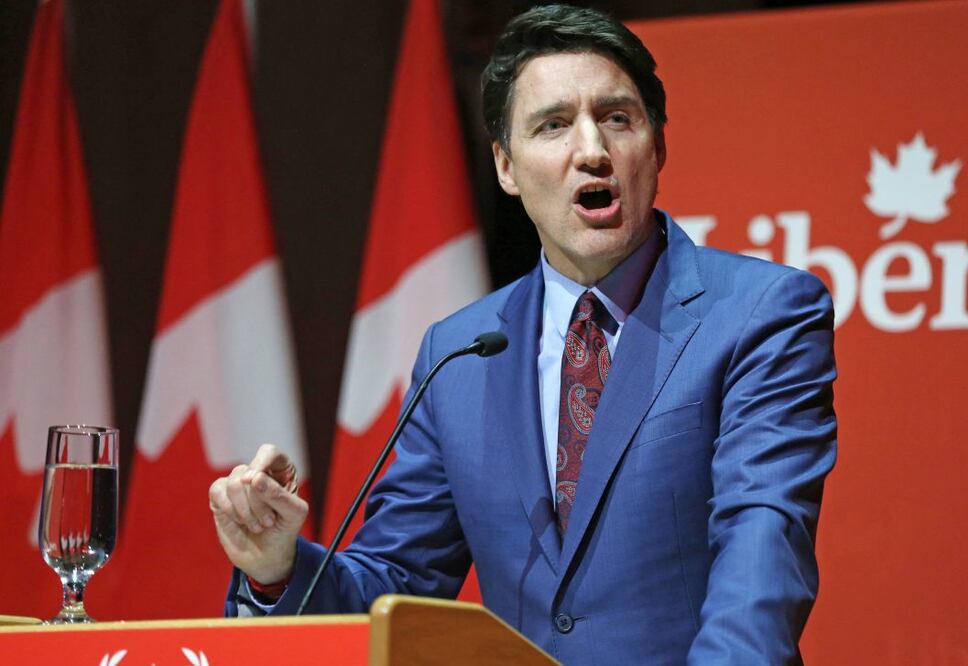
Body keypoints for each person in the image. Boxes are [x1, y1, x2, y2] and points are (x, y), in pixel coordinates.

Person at [208, 5, 837, 663]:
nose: (592, 151)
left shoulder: (760, 314)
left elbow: (760, 560)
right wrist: (278, 567)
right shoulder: (459, 354)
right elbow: (395, 587)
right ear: (506, 167)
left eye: (617, 118)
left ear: (657, 147)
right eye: (553, 125)